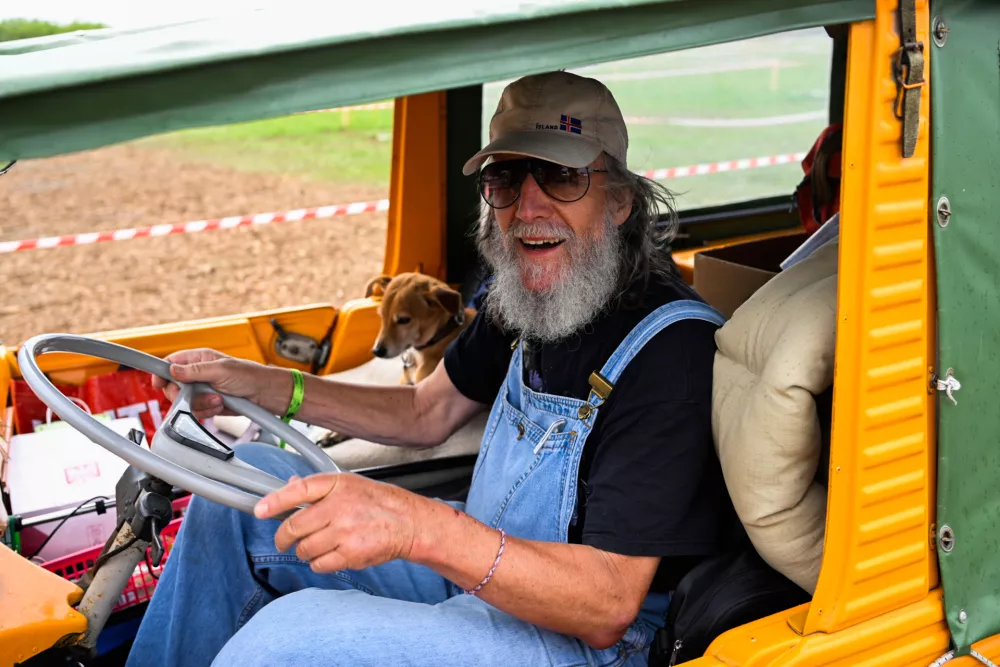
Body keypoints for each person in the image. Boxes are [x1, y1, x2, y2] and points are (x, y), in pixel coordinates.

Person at [127, 70, 736, 667]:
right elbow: (427, 410)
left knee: (287, 640)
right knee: (242, 487)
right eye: (505, 178)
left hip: (591, 640)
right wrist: (264, 384)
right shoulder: (530, 300)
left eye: (561, 176)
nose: (528, 205)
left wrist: (420, 527)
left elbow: (607, 605)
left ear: (622, 199)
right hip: (484, 576)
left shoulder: (672, 351)